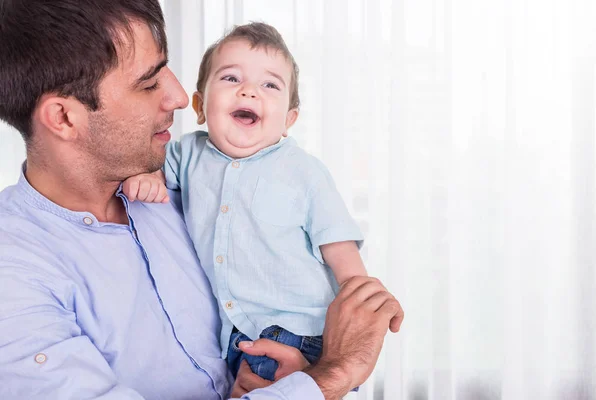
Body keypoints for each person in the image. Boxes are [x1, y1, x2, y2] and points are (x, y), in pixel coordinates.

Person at [0, 1, 403, 399]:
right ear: (64, 117)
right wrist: (333, 374)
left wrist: (293, 377)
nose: (179, 96)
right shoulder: (15, 276)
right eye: (148, 81)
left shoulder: (187, 185)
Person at [122, 22, 400, 386]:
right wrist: (147, 179)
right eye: (231, 79)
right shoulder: (187, 153)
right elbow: (154, 168)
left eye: (270, 85)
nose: (250, 91)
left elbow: (338, 246)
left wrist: (356, 309)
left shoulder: (303, 172)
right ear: (201, 106)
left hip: (302, 330)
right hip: (235, 337)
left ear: (289, 120)